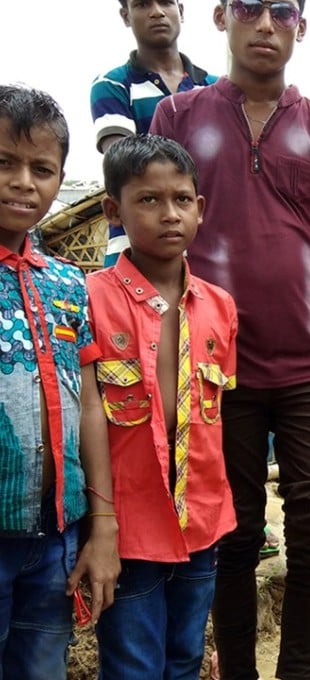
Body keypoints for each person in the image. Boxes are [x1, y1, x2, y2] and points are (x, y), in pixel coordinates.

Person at [149, 0, 310, 677]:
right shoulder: (178, 119)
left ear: (301, 25)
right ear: (221, 17)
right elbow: (159, 247)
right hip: (214, 368)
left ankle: (299, 670)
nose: (266, 22)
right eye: (249, 6)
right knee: (235, 533)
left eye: (283, 9)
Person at [87, 135, 237, 679]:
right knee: (131, 667)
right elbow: (87, 426)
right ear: (114, 210)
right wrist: (99, 525)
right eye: (148, 200)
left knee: (186, 659)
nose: (168, 214)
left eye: (181, 199)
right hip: (129, 533)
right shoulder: (89, 299)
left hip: (202, 526)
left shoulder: (220, 307)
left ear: (200, 208)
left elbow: (217, 423)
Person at [0, 84, 120, 679]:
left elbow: (91, 407)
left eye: (41, 168)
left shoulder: (70, 286)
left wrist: (102, 526)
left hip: (55, 539)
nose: (24, 181)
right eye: (4, 163)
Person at [91, 0, 217, 267]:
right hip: (134, 253)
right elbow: (125, 166)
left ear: (180, 11)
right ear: (126, 16)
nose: (157, 11)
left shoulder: (213, 87)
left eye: (166, 2)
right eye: (143, 4)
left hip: (205, 252)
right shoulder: (112, 85)